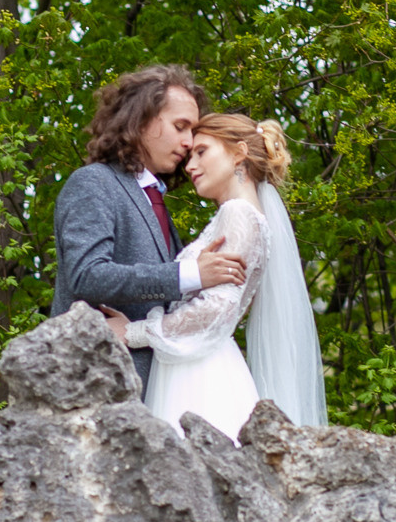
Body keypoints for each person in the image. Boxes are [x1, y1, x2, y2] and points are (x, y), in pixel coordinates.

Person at [99, 113, 327, 440]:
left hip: (200, 373)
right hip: (196, 360)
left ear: (238, 153)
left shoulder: (239, 214)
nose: (190, 165)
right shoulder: (242, 215)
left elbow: (215, 309)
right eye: (190, 155)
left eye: (202, 152)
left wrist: (133, 332)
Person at [51, 66, 248, 390]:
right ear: (140, 119)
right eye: (180, 126)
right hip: (89, 388)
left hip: (148, 396)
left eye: (193, 131)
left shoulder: (157, 203)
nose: (188, 142)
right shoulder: (93, 183)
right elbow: (87, 275)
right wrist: (190, 274)